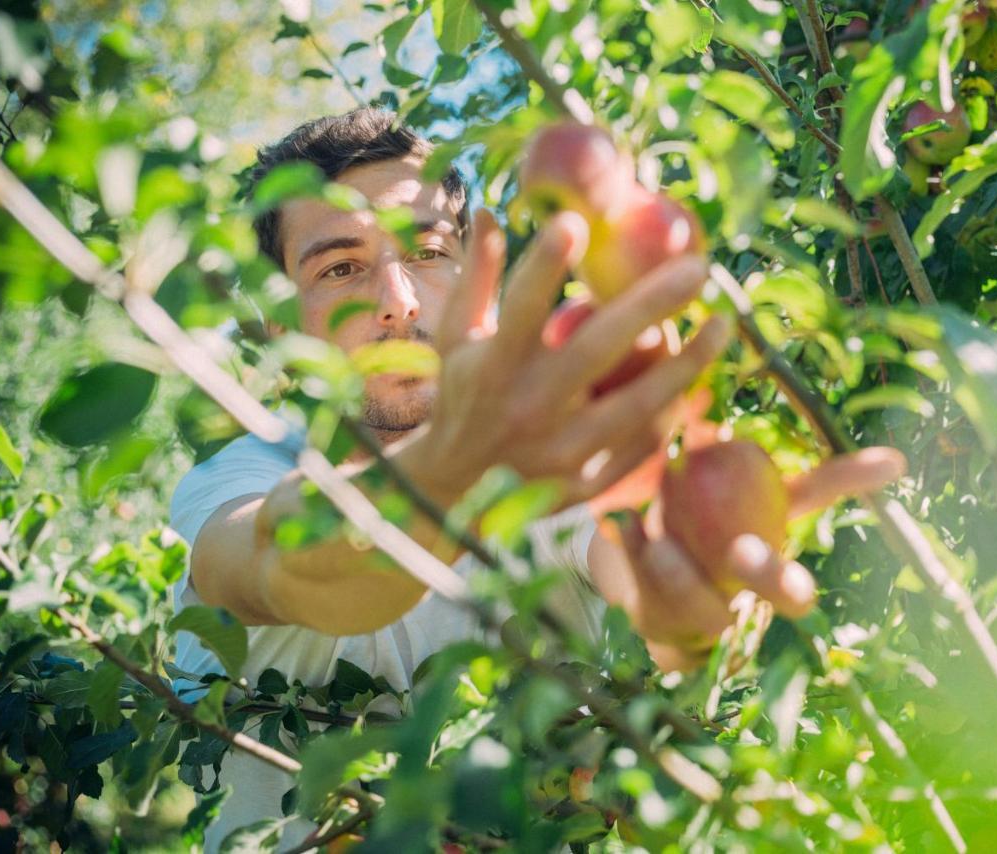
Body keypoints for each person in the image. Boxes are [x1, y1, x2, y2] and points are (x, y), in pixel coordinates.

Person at [168, 106, 905, 851]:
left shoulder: (551, 462)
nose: (398, 300)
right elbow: (294, 567)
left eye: (426, 252)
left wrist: (681, 591)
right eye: (340, 267)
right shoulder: (238, 480)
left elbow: (613, 541)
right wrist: (459, 461)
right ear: (277, 322)